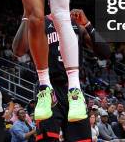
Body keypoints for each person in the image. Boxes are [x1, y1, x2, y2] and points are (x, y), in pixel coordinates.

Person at [13, 8, 111, 142]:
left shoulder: (76, 24)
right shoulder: (40, 22)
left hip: (73, 90)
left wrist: (87, 24)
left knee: (81, 139)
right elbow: (18, 50)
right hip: (49, 88)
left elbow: (105, 53)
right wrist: (26, 16)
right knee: (48, 139)